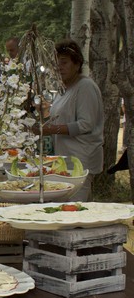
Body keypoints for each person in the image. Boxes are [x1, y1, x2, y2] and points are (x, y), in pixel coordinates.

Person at [39, 39, 103, 200]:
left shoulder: (85, 87)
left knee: (74, 208)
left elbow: (85, 124)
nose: (59, 67)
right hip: (65, 159)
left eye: (64, 62)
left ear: (77, 64)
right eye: (55, 63)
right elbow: (59, 117)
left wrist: (50, 130)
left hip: (81, 160)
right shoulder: (65, 88)